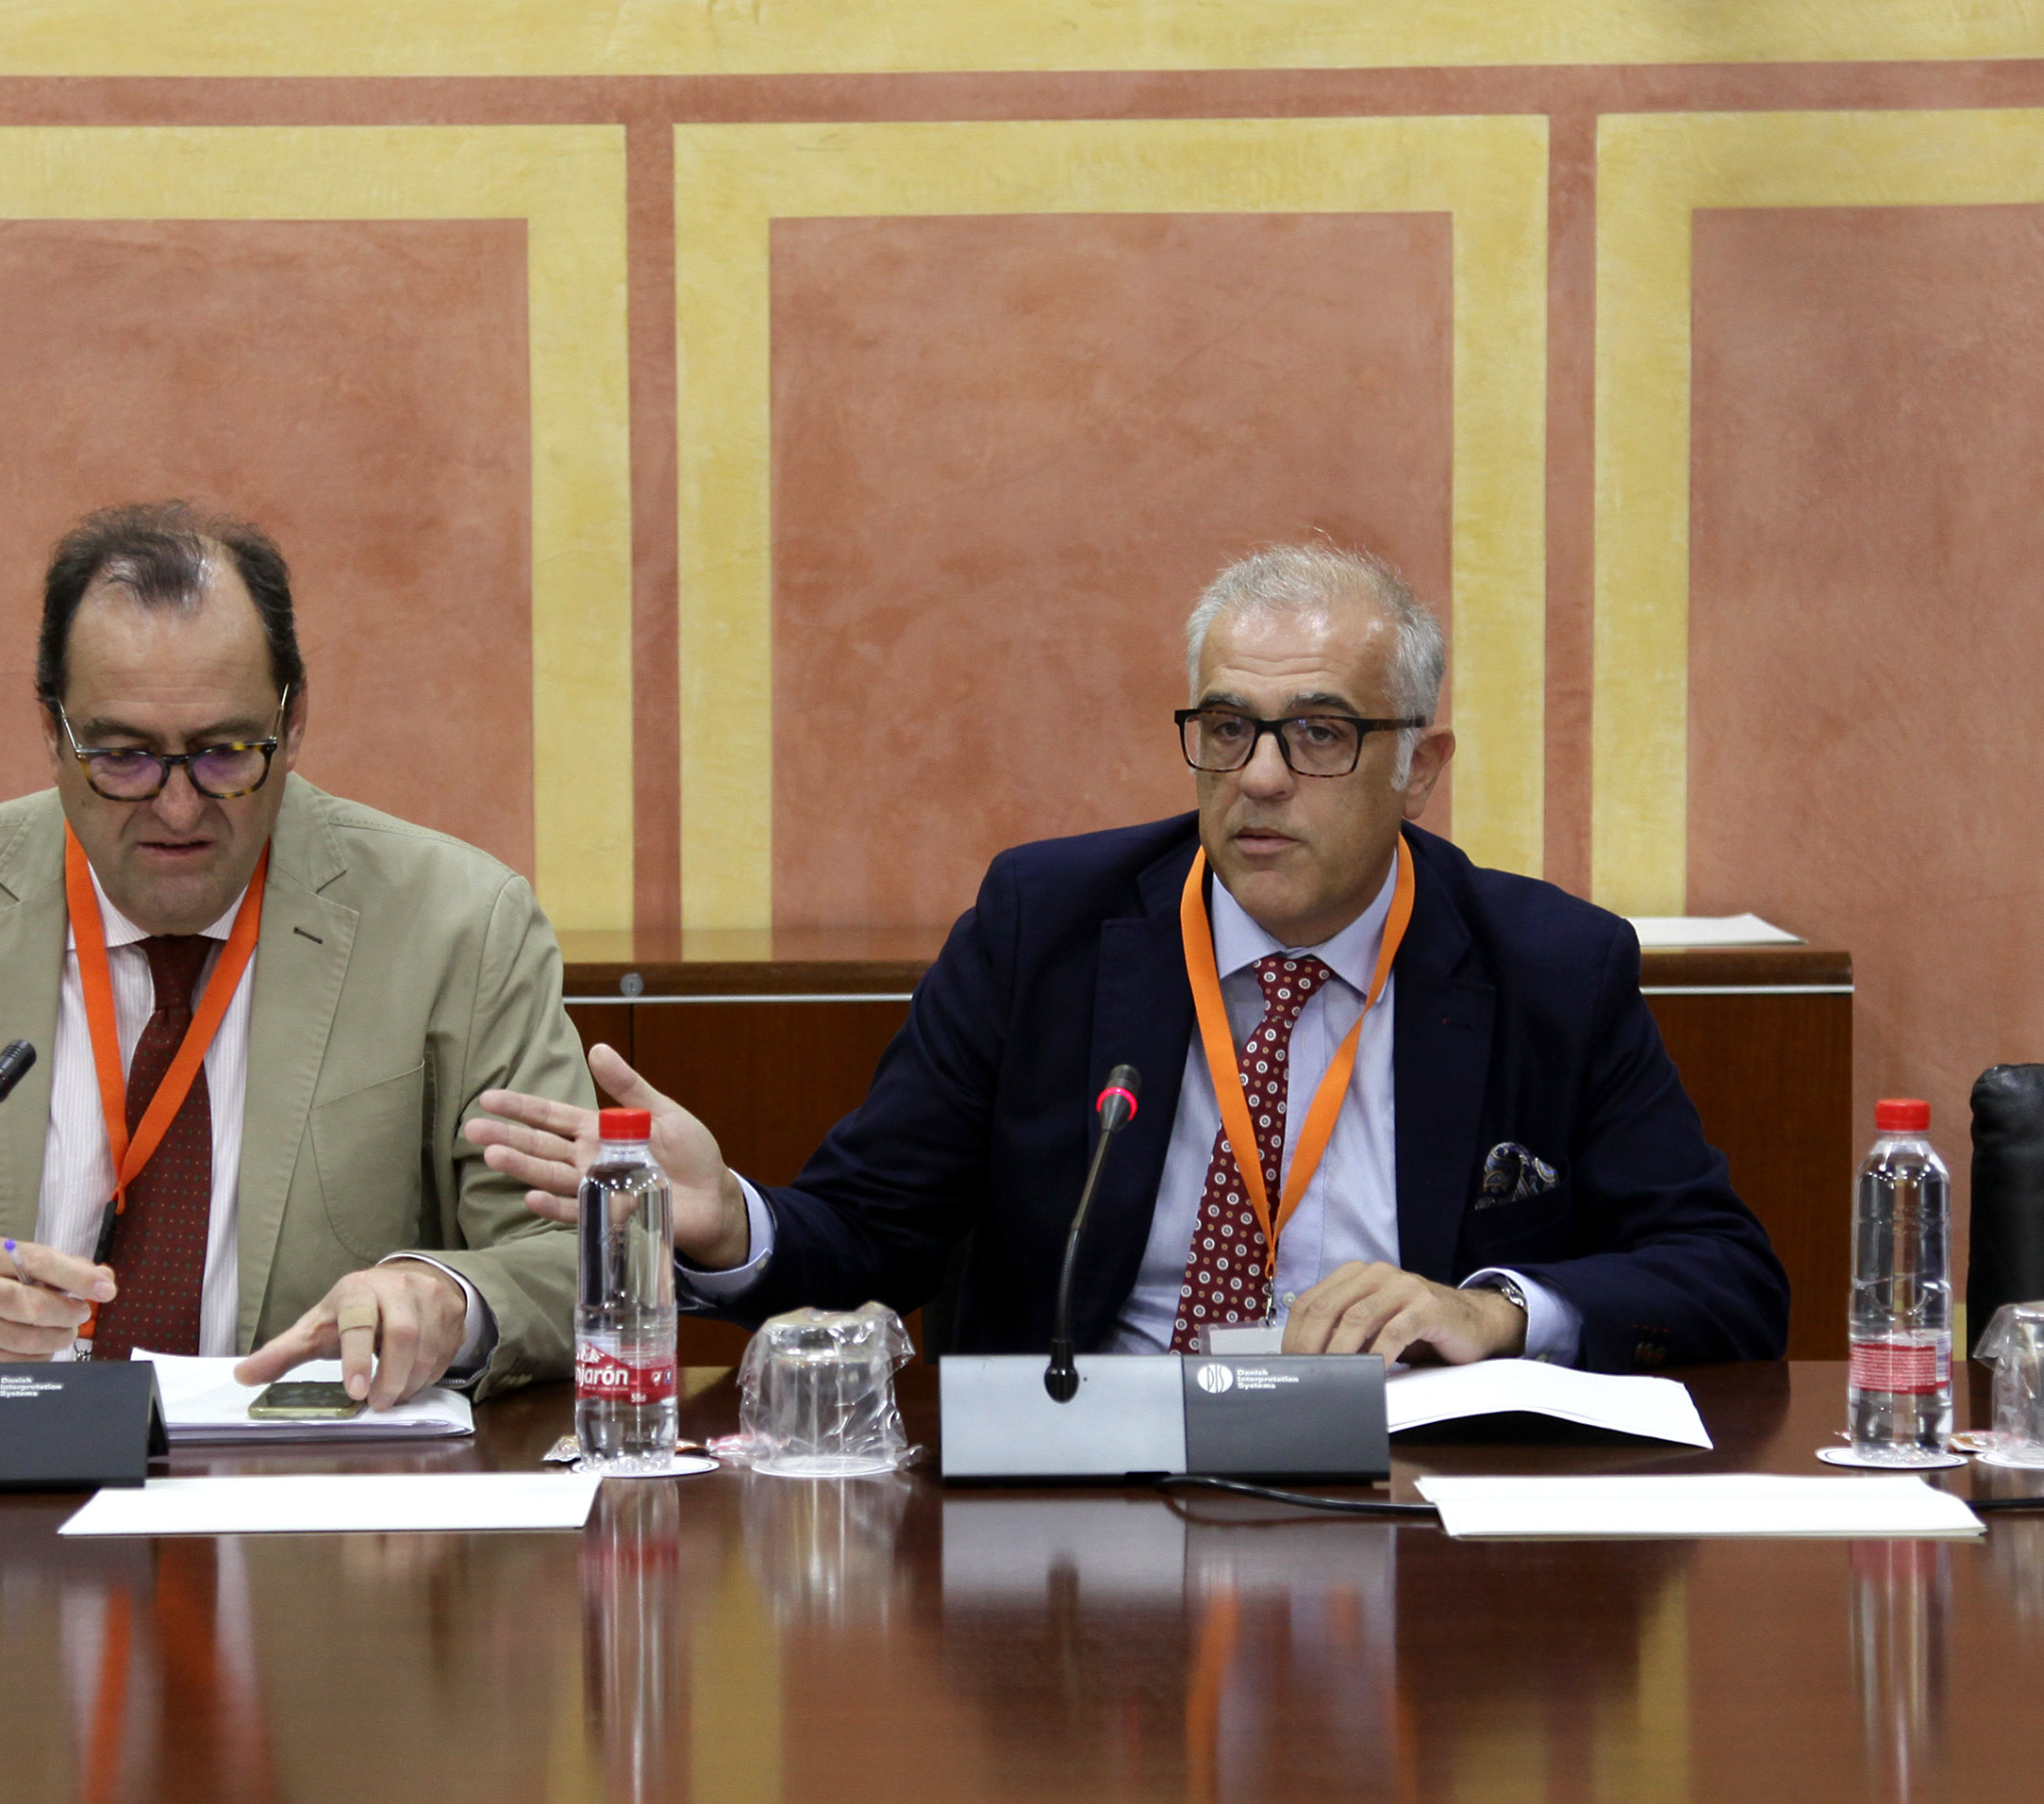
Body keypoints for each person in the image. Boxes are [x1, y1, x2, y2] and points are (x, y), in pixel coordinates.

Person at [471, 542, 1786, 1371]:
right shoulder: (1048, 923)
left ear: (1416, 771)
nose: (1261, 778)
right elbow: (872, 1228)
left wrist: (1499, 1308)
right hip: (1089, 1489)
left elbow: (1726, 1277)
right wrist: (730, 1219)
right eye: (1227, 728)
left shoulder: (1547, 964)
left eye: (1319, 734)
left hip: (1409, 1496)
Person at [0, 502, 589, 1404]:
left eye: (224, 751)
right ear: (53, 732)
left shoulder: (458, 927)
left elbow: (573, 1264)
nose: (177, 807)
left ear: (292, 723)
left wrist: (447, 1299)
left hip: (311, 1514)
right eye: (123, 756)